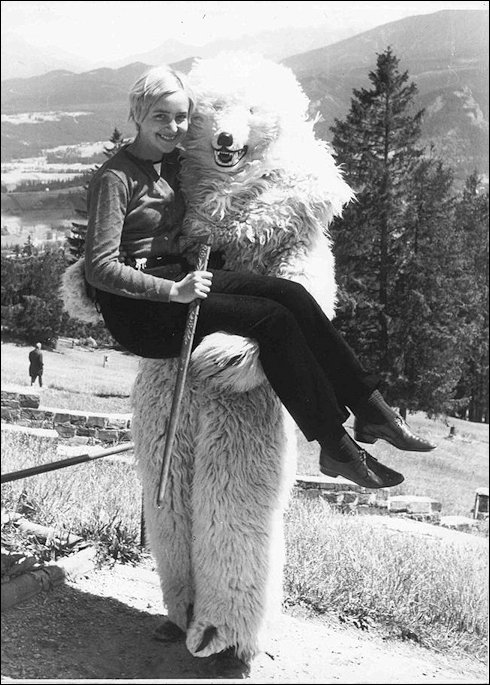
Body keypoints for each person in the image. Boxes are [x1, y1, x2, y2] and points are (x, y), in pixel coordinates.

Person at [84, 65, 436, 492]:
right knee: (272, 321)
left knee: (290, 294)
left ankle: (371, 408)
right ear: (137, 114)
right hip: (141, 311)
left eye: (181, 117)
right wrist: (172, 291)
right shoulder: (115, 178)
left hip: (178, 278)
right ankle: (335, 445)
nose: (174, 127)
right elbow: (99, 268)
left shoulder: (174, 163)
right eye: (161, 117)